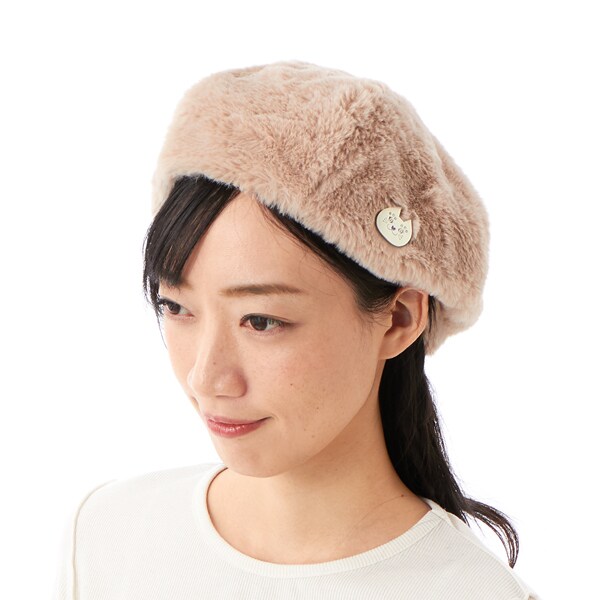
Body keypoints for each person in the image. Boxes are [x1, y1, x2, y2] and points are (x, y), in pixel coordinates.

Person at [53, 60, 540, 599]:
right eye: (176, 307)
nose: (205, 378)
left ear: (399, 320)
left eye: (261, 320)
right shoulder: (107, 534)